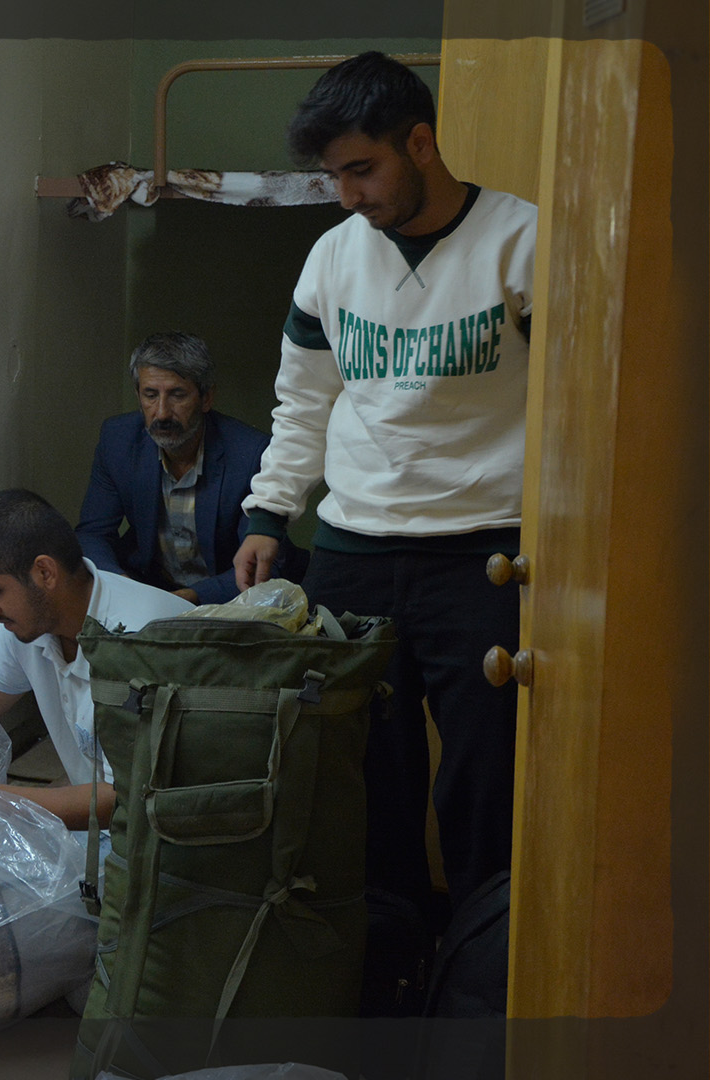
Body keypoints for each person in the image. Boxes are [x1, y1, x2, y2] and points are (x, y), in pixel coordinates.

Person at [232, 52, 535, 911]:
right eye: (334, 176)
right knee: (364, 782)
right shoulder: (332, 258)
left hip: (483, 553)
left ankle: (480, 967)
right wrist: (268, 512)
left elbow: (579, 407)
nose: (348, 195)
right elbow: (304, 401)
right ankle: (390, 968)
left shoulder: (523, 241)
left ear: (421, 143)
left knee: (484, 783)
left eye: (362, 170)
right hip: (354, 551)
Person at [0, 489, 192, 826]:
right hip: (103, 830)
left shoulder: (145, 640)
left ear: (45, 573)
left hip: (158, 839)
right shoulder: (28, 626)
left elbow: (126, 799)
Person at [75, 331, 281, 605]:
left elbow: (262, 563)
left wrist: (183, 600)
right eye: (150, 395)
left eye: (177, 395)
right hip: (146, 589)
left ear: (206, 398)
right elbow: (92, 535)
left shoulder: (250, 453)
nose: (161, 412)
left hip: (225, 600)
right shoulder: (118, 440)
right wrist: (122, 586)